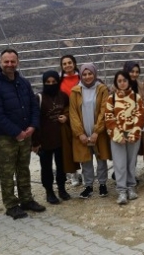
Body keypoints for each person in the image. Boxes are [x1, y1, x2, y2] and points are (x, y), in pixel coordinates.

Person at [0, 49, 46, 219]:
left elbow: (34, 106)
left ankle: (26, 199)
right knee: (7, 171)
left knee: (23, 169)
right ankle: (11, 204)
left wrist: (33, 126)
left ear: (17, 62)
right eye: (7, 62)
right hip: (5, 138)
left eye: (13, 61)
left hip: (25, 135)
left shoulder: (24, 83)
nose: (10, 65)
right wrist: (16, 132)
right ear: (0, 62)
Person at [104, 71, 144, 205]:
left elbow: (140, 116)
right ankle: (121, 191)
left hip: (133, 135)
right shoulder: (111, 99)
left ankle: (131, 186)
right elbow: (109, 118)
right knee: (119, 163)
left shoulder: (136, 97)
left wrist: (134, 133)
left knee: (131, 162)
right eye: (119, 81)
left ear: (129, 81)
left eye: (124, 80)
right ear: (116, 83)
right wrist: (117, 136)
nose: (122, 83)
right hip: (118, 136)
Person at [70, 63, 111, 199]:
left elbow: (104, 111)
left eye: (90, 73)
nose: (87, 77)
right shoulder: (75, 91)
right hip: (82, 133)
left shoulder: (102, 89)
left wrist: (96, 131)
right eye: (84, 74)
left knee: (101, 159)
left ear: (95, 74)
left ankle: (103, 184)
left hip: (98, 133)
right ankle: (88, 186)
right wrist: (80, 133)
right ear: (81, 75)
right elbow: (73, 114)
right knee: (85, 160)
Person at [32, 70, 71, 205]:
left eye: (54, 82)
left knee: (61, 166)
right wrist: (35, 142)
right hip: (44, 141)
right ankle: (49, 191)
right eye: (48, 82)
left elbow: (70, 111)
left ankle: (62, 189)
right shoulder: (38, 98)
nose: (51, 84)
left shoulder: (63, 96)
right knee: (46, 168)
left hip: (60, 139)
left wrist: (66, 117)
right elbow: (34, 120)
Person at [59, 54, 81, 187]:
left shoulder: (82, 77)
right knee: (68, 147)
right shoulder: (59, 80)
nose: (67, 65)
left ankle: (86, 172)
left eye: (69, 63)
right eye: (64, 63)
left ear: (74, 63)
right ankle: (73, 174)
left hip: (81, 115)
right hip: (66, 116)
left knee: (82, 145)